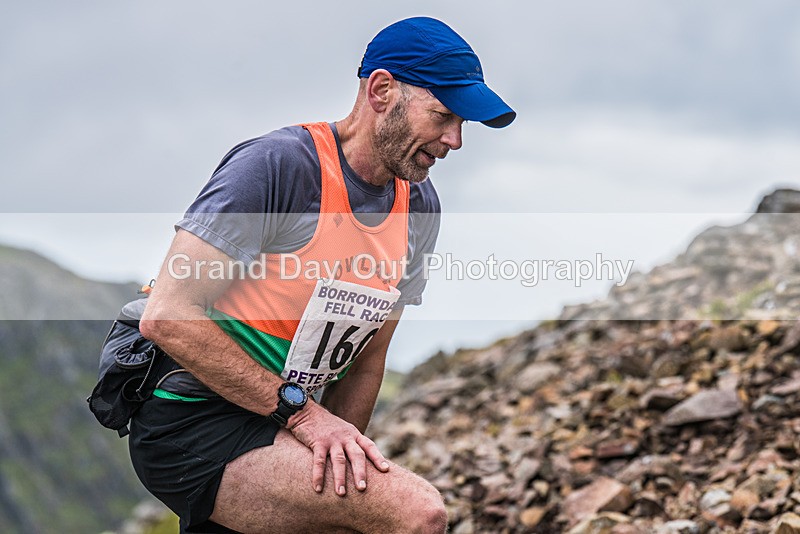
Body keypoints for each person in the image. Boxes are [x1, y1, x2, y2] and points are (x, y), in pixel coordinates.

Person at [134, 16, 515, 534]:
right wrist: (308, 420)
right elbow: (168, 317)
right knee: (417, 514)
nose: (455, 139)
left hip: (279, 428)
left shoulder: (420, 207)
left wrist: (331, 457)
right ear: (382, 90)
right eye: (443, 115)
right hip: (193, 419)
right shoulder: (278, 167)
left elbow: (365, 363)